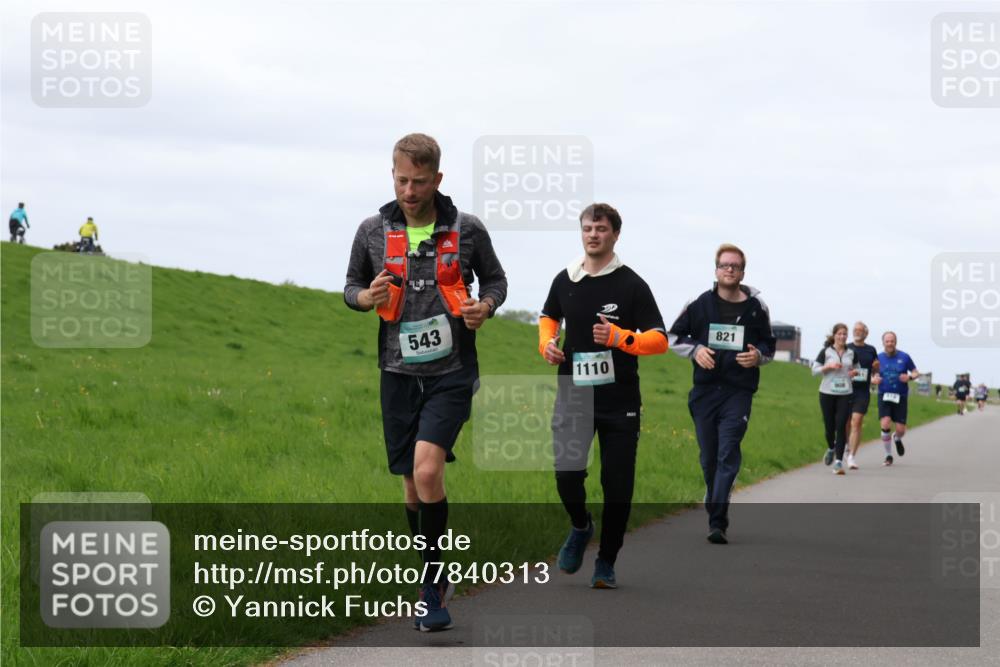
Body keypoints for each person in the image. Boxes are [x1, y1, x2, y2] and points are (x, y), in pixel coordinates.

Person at [343, 133, 507, 631]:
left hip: (451, 372)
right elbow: (350, 287)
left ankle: (432, 589)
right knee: (412, 489)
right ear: (392, 175)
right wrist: (363, 299)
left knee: (429, 472)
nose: (409, 190)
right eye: (401, 180)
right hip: (396, 373)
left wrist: (486, 307)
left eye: (418, 181)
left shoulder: (467, 229)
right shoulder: (372, 230)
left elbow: (496, 282)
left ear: (437, 179)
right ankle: (434, 573)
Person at [538, 203, 668, 589]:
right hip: (573, 395)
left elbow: (658, 340)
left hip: (620, 401)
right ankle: (581, 526)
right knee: (566, 475)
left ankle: (606, 561)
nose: (593, 234)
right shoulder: (566, 279)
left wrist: (620, 338)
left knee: (617, 485)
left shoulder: (631, 284)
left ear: (615, 234)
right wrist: (547, 344)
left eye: (601, 229)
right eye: (587, 228)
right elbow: (548, 317)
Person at [668, 244, 776, 544]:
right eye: (725, 265)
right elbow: (673, 336)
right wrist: (697, 350)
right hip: (704, 390)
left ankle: (718, 519)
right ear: (716, 270)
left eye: (736, 266)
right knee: (709, 457)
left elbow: (769, 346)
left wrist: (758, 357)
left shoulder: (757, 308)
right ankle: (715, 491)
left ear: (743, 272)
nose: (730, 270)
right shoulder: (699, 303)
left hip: (738, 391)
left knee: (728, 449)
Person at [812, 323, 855, 475]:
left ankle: (838, 462)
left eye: (845, 334)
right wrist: (828, 367)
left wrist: (854, 373)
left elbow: (857, 369)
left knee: (841, 425)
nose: (842, 336)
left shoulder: (851, 353)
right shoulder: (825, 352)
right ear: (834, 335)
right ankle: (831, 448)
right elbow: (814, 370)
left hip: (845, 393)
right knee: (829, 427)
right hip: (827, 392)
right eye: (840, 334)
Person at [874, 332, 920, 466]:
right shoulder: (877, 358)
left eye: (892, 341)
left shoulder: (904, 357)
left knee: (901, 430)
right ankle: (888, 455)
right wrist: (874, 379)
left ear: (896, 342)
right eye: (887, 341)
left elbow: (916, 372)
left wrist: (910, 377)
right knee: (885, 423)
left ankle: (896, 438)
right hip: (884, 395)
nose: (890, 343)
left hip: (901, 396)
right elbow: (872, 375)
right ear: (883, 343)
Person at [846, 321, 879, 470]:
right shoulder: (846, 348)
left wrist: (876, 373)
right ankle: (846, 446)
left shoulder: (871, 350)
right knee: (845, 423)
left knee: (857, 421)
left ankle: (852, 456)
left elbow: (875, 370)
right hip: (845, 389)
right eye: (855, 330)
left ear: (866, 333)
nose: (857, 332)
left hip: (862, 391)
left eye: (860, 330)